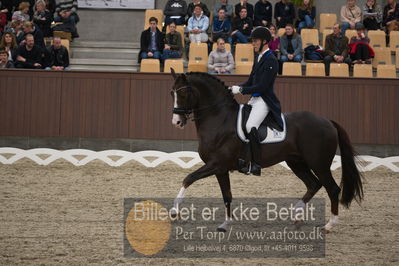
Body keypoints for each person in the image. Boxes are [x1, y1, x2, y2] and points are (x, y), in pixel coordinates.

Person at [229, 27, 282, 176]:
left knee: (251, 125)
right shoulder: (258, 58)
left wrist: (240, 91)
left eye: (255, 41)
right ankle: (243, 161)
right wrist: (236, 87)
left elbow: (262, 86)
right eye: (252, 41)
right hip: (255, 99)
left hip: (265, 100)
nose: (253, 44)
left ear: (264, 41)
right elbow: (251, 81)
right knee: (240, 123)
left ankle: (256, 164)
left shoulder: (271, 59)